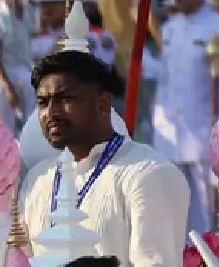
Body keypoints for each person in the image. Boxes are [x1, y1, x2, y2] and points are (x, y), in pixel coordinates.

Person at [20, 51, 188, 267]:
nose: (51, 113)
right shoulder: (38, 180)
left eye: (65, 99)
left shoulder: (147, 174)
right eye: (43, 103)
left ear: (102, 104)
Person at [148, 0, 219, 234]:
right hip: (171, 140)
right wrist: (134, 56)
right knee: (175, 225)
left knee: (210, 225)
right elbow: (166, 77)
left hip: (204, 141)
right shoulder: (171, 28)